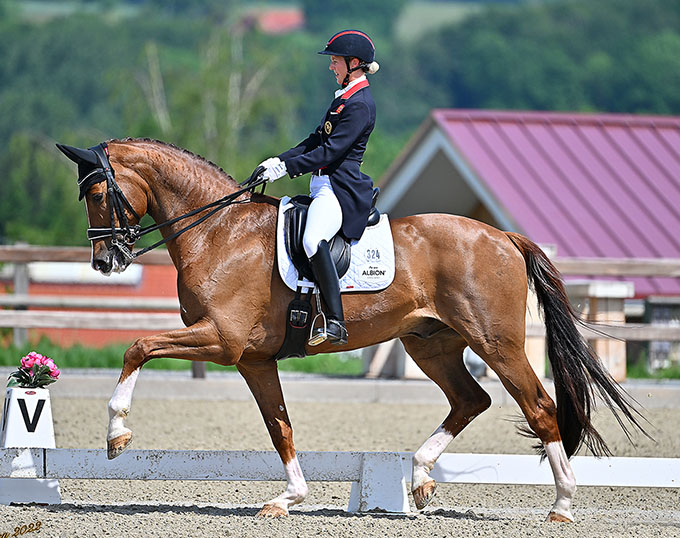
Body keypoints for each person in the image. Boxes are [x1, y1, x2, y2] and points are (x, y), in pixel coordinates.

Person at [259, 30, 379, 346]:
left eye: (335, 61)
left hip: (340, 191)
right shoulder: (344, 97)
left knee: (313, 239)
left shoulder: (360, 104)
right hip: (323, 186)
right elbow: (316, 140)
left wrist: (287, 169)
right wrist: (277, 160)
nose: (331, 66)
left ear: (354, 63)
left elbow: (331, 152)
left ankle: (336, 321)